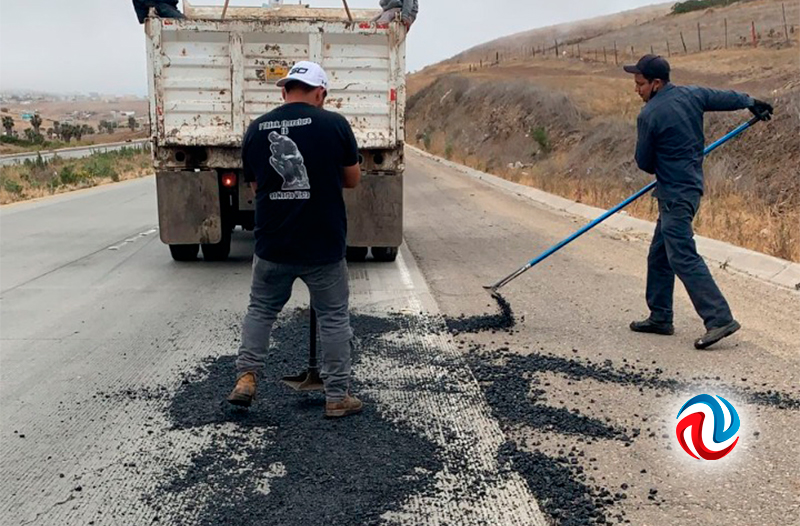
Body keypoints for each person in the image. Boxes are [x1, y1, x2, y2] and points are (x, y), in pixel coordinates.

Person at [227, 61, 363, 418]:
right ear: (320, 93)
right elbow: (352, 179)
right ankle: (336, 397)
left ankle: (246, 378)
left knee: (261, 309)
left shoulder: (257, 130)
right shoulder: (334, 124)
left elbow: (257, 187)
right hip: (324, 244)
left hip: (273, 243)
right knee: (333, 316)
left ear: (285, 91)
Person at [623, 54, 773, 350]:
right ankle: (661, 316)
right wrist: (749, 101)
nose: (635, 89)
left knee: (682, 256)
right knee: (659, 255)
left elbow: (643, 162)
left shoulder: (649, 115)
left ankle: (719, 318)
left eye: (639, 84)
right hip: (686, 189)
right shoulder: (691, 94)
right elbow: (722, 97)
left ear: (656, 83)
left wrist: (664, 163)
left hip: (676, 195)